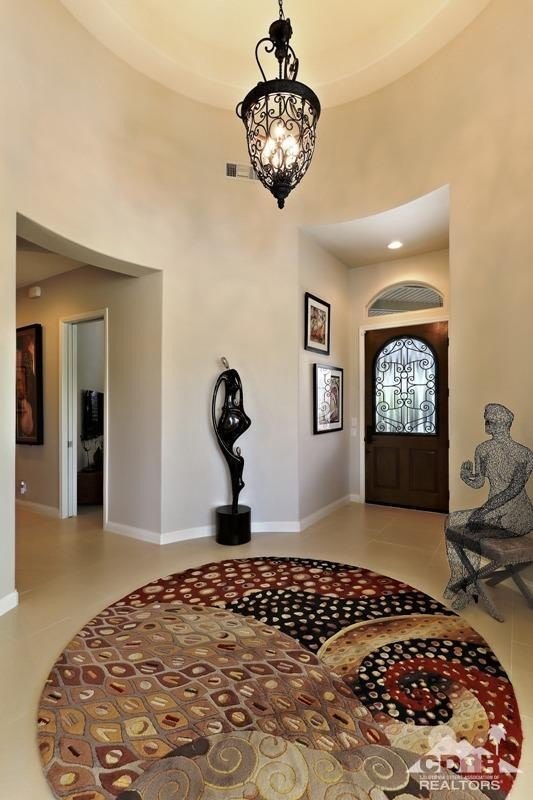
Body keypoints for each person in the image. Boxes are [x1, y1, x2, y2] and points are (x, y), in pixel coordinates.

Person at [444, 403, 533, 609]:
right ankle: (460, 579)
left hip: (517, 515)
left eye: (489, 420)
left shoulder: (524, 454)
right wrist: (466, 476)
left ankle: (467, 586)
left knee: (470, 528)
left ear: (501, 423)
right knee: (453, 520)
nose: (487, 424)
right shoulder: (483, 449)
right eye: (486, 420)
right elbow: (478, 482)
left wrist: (483, 511)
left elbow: (514, 490)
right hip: (492, 511)